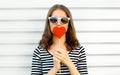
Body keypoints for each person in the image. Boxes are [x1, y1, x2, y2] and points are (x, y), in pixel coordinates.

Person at [31, 4, 88, 75]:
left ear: (68, 24)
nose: (58, 23)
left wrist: (69, 63)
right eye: (53, 20)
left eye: (63, 20)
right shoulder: (39, 52)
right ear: (49, 23)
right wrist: (55, 68)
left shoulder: (79, 51)